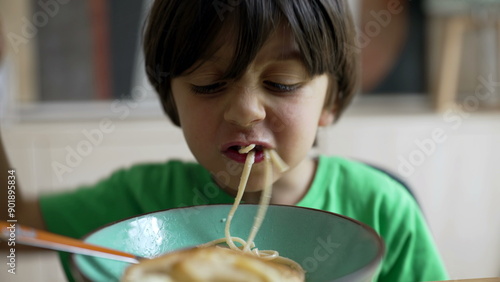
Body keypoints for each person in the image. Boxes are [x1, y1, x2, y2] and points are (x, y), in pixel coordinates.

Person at [0, 0, 448, 281]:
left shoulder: (382, 210)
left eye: (283, 83)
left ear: (330, 100)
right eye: (210, 85)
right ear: (172, 100)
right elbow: (12, 227)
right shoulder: (140, 205)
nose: (245, 110)